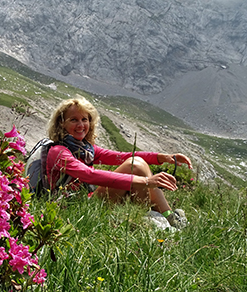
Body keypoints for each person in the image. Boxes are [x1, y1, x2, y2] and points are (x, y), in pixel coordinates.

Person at [46, 98, 193, 228]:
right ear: (61, 123)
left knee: (136, 163)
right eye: (74, 120)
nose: (81, 125)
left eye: (85, 119)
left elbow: (121, 157)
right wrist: (146, 181)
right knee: (134, 166)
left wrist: (163, 157)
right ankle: (166, 217)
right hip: (74, 209)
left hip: (89, 200)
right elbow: (88, 175)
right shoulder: (58, 151)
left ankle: (162, 217)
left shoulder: (85, 149)